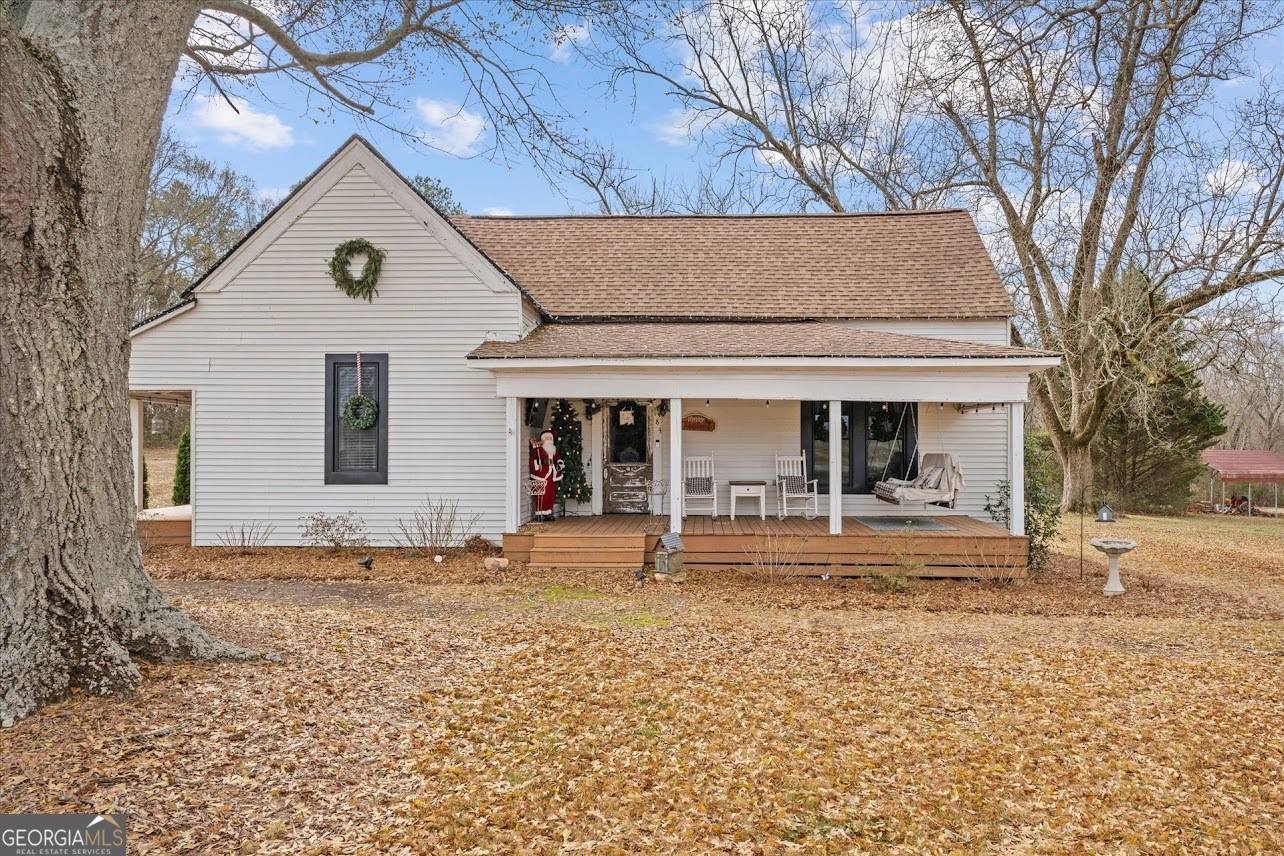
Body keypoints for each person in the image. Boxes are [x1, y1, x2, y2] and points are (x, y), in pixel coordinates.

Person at [529, 430, 565, 522]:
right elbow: (533, 459)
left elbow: (558, 458)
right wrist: (536, 468)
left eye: (550, 438)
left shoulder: (554, 449)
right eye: (546, 438)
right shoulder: (539, 449)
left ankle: (548, 512)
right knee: (541, 494)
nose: (548, 439)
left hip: (552, 474)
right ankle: (540, 513)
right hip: (542, 474)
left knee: (550, 494)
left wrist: (560, 463)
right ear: (543, 439)